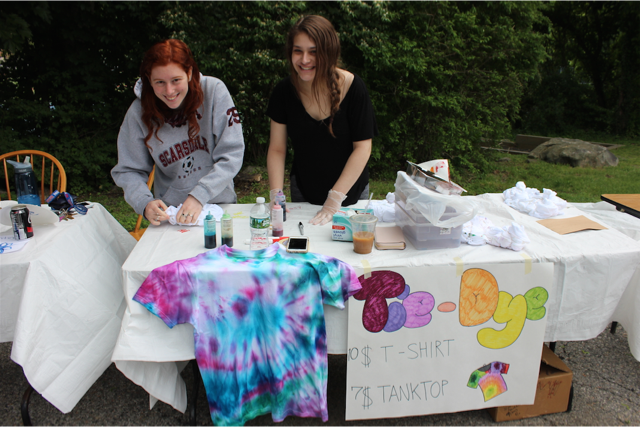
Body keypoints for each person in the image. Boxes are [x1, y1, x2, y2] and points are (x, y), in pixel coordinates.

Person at [112, 39, 244, 225]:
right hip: (171, 215)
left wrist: (199, 195)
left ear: (189, 73)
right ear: (149, 80)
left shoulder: (214, 92)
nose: (169, 91)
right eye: (159, 82)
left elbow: (232, 153)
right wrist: (144, 202)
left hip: (219, 207)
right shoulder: (138, 112)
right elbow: (128, 170)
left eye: (176, 80)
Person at [266, 15, 378, 225]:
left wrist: (334, 200)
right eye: (298, 51)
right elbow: (277, 149)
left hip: (350, 196)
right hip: (304, 192)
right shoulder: (283, 91)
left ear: (329, 53)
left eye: (313, 52)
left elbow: (363, 148)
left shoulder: (354, 88)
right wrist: (276, 198)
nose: (305, 60)